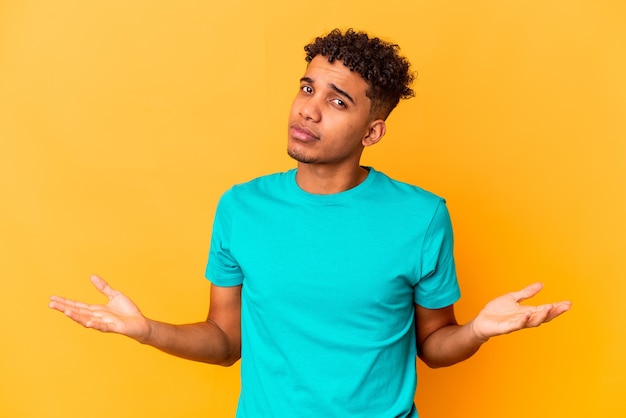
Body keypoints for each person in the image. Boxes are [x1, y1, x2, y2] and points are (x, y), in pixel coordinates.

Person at [49, 28, 571, 417]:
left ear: (373, 131)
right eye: (306, 88)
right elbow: (226, 342)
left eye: (336, 101)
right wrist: (146, 331)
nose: (308, 111)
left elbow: (434, 345)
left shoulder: (423, 216)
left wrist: (478, 330)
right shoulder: (240, 207)